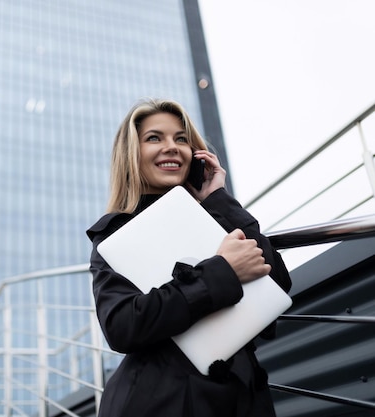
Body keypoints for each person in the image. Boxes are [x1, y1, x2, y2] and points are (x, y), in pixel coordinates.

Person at [86, 98, 292, 417]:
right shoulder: (116, 233)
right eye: (154, 138)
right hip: (163, 402)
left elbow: (278, 282)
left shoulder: (217, 215)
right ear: (131, 154)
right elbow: (121, 324)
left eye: (181, 139)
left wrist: (219, 198)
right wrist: (223, 272)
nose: (172, 147)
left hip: (243, 399)